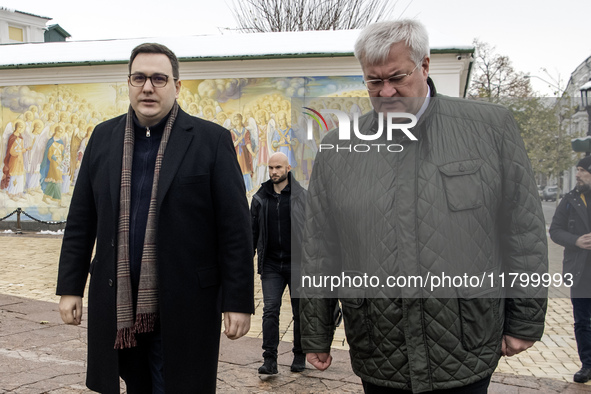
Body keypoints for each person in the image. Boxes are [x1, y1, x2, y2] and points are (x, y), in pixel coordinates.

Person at [299, 19, 548, 393]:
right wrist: (315, 332)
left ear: (425, 66)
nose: (385, 92)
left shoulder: (489, 129)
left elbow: (523, 230)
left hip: (465, 338)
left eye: (397, 77)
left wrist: (525, 320)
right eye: (373, 81)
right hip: (379, 342)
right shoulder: (339, 149)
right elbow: (320, 246)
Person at [56, 43, 254, 393]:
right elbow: (81, 219)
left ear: (177, 86)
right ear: (129, 83)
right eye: (139, 78)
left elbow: (235, 229)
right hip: (119, 301)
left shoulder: (211, 140)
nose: (148, 87)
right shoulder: (103, 137)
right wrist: (70, 287)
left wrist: (237, 301)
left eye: (159, 78)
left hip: (187, 303)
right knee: (136, 385)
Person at [251, 152, 307, 374]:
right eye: (271, 168)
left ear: (288, 169)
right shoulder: (260, 198)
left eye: (278, 168)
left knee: (300, 311)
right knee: (270, 310)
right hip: (271, 264)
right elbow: (251, 232)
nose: (274, 172)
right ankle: (270, 359)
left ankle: (300, 354)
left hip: (298, 264)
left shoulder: (302, 196)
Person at [549, 156, 591, 383]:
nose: (578, 175)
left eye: (583, 171)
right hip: (581, 272)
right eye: (578, 170)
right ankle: (587, 364)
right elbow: (555, 230)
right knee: (582, 320)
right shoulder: (570, 199)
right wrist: (576, 240)